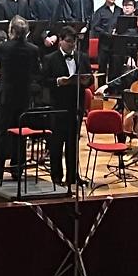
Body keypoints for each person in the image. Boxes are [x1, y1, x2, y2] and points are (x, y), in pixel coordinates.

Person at [0, 16, 42, 182]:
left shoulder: (3, 47)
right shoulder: (33, 49)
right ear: (26, 32)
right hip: (23, 97)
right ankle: (17, 168)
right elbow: (36, 71)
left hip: (5, 96)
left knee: (1, 134)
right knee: (20, 133)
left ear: (12, 31)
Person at [42, 26, 93, 187]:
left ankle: (73, 176)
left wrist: (86, 81)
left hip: (75, 106)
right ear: (61, 41)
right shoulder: (50, 58)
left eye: (74, 42)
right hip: (58, 107)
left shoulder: (82, 57)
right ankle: (56, 177)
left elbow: (90, 78)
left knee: (73, 144)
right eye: (69, 42)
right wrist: (58, 81)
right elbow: (43, 81)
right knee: (56, 144)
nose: (72, 46)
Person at [90, 0, 121, 80]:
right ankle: (101, 89)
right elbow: (95, 27)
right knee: (102, 68)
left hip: (116, 44)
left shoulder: (120, 10)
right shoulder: (100, 11)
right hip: (104, 44)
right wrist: (106, 33)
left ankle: (113, 89)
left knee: (115, 68)